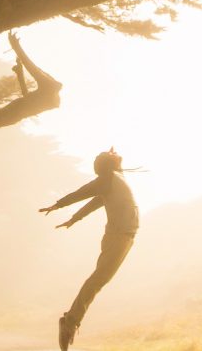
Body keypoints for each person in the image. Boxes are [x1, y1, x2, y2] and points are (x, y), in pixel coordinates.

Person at [39, 147, 139, 351]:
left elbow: (95, 202)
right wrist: (58, 205)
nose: (113, 152)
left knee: (99, 280)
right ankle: (70, 322)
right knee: (98, 279)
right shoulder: (108, 178)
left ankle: (71, 320)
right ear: (108, 164)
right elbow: (82, 193)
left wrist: (74, 219)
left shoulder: (116, 178)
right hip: (119, 236)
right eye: (108, 155)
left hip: (125, 237)